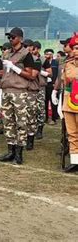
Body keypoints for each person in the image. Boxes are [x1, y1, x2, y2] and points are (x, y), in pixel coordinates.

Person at [0, 28, 35, 165]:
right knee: (8, 122)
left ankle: (19, 153)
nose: (11, 40)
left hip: (19, 91)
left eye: (13, 37)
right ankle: (10, 150)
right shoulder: (7, 54)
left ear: (20, 38)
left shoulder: (26, 54)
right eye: (9, 38)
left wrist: (15, 68)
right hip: (7, 90)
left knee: (20, 122)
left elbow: (30, 75)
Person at [56, 34, 78, 172]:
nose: (75, 51)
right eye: (74, 48)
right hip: (68, 102)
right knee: (72, 134)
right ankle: (75, 161)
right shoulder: (68, 63)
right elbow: (65, 83)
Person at [44, 48, 59, 125]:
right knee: (45, 101)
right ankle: (46, 118)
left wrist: (56, 83)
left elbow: (57, 74)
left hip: (53, 84)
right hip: (45, 84)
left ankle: (54, 117)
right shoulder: (43, 62)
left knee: (53, 101)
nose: (48, 55)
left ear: (53, 54)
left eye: (50, 54)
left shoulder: (56, 62)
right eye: (46, 54)